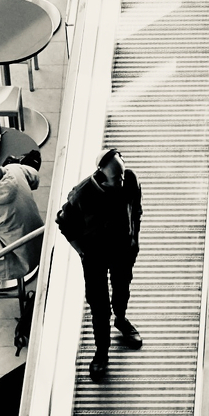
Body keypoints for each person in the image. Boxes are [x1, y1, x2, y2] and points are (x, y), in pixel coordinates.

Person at [56, 147, 143, 381]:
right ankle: (101, 352)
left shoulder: (130, 180)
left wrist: (134, 238)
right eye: (117, 177)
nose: (122, 180)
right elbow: (64, 223)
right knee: (99, 305)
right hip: (95, 256)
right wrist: (82, 252)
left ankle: (122, 320)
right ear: (102, 174)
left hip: (123, 251)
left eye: (123, 174)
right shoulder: (82, 195)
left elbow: (135, 209)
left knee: (122, 289)